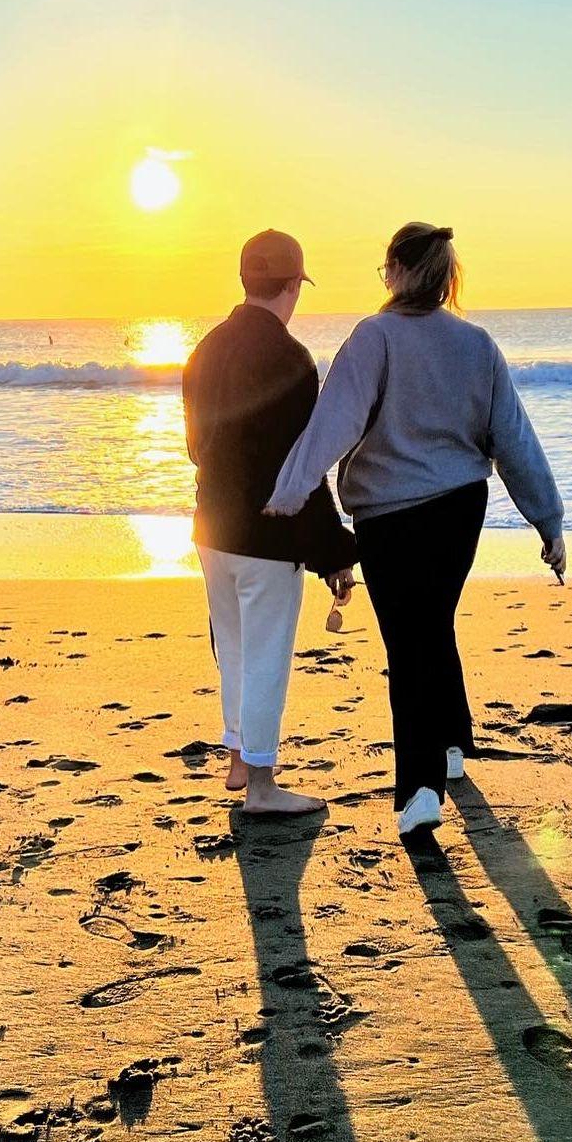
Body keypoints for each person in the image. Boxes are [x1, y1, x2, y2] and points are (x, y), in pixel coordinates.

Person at [265, 222, 564, 838]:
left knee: (409, 641)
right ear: (447, 277)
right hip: (460, 509)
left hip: (393, 515)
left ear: (397, 271)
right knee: (433, 622)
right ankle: (452, 744)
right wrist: (549, 520)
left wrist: (290, 490)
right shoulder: (477, 344)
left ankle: (420, 785)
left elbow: (335, 421)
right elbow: (513, 439)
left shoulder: (374, 338)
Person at [182, 230, 357, 816]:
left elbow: (194, 448)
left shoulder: (202, 350)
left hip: (211, 527)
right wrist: (333, 553)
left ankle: (239, 757)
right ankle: (260, 785)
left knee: (231, 648)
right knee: (265, 656)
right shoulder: (291, 359)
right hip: (266, 534)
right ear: (290, 285)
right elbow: (303, 469)